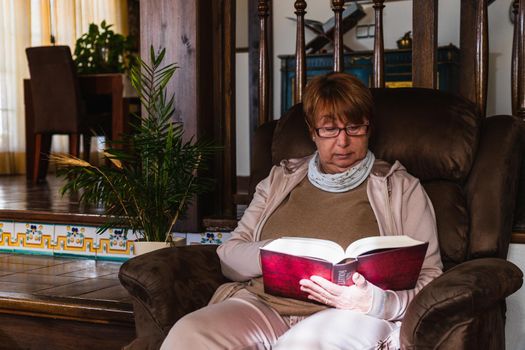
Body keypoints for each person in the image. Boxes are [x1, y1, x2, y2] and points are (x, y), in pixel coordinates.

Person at [160, 72, 443, 350]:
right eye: (329, 129)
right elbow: (229, 256)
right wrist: (279, 252)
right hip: (263, 305)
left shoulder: (401, 187)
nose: (343, 141)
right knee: (189, 333)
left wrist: (375, 302)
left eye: (354, 127)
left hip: (350, 314)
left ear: (368, 127)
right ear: (312, 131)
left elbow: (431, 277)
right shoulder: (280, 179)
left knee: (303, 344)